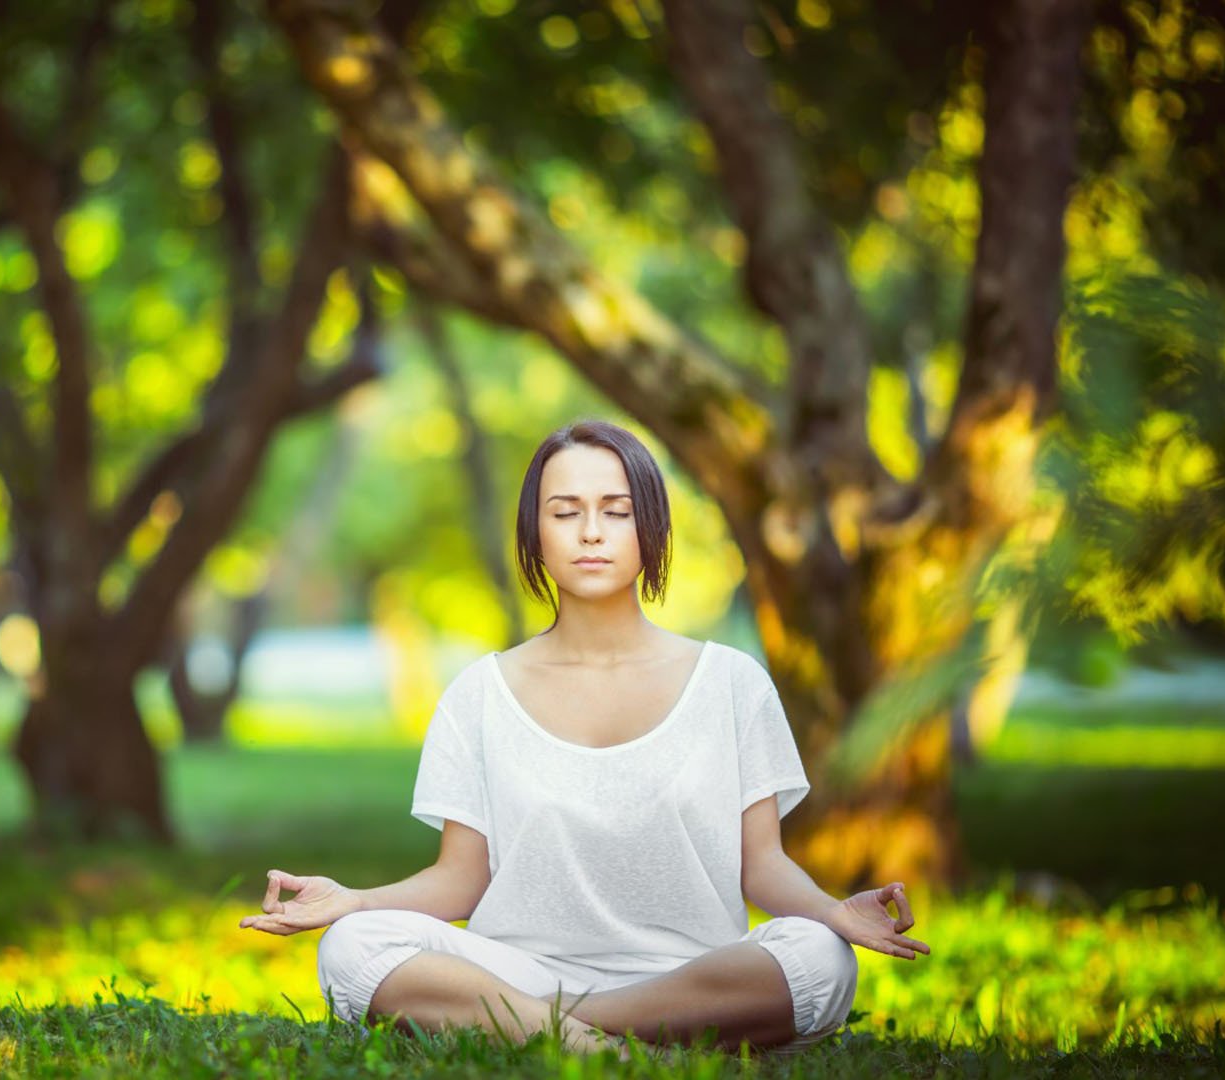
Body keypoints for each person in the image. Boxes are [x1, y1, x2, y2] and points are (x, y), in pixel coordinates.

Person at [237, 419, 930, 1057]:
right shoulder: (479, 695)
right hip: (518, 966)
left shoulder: (731, 683)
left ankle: (554, 1029)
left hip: (691, 973)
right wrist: (352, 901)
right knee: (352, 948)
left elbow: (762, 868)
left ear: (651, 529)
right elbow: (460, 880)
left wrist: (834, 912)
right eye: (565, 513)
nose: (591, 533)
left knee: (821, 958)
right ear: (535, 533)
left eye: (617, 512)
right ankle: (619, 1048)